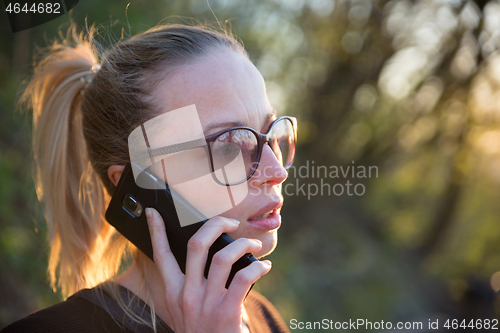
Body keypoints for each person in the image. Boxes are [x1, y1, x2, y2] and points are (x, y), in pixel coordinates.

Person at [1, 22, 296, 333]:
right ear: (142, 183)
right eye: (229, 146)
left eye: (270, 134)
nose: (275, 171)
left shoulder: (262, 316)